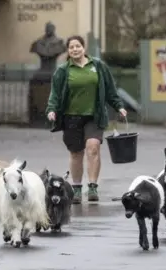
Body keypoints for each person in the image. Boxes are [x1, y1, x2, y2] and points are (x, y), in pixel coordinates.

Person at [45, 35, 127, 204]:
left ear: (84, 48)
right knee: (76, 153)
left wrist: (119, 106)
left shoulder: (98, 66)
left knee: (93, 147)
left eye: (78, 46)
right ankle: (76, 189)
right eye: (71, 47)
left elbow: (110, 89)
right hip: (71, 117)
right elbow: (55, 93)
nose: (75, 49)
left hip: (94, 116)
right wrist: (52, 110)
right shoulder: (63, 71)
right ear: (68, 51)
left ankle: (92, 187)